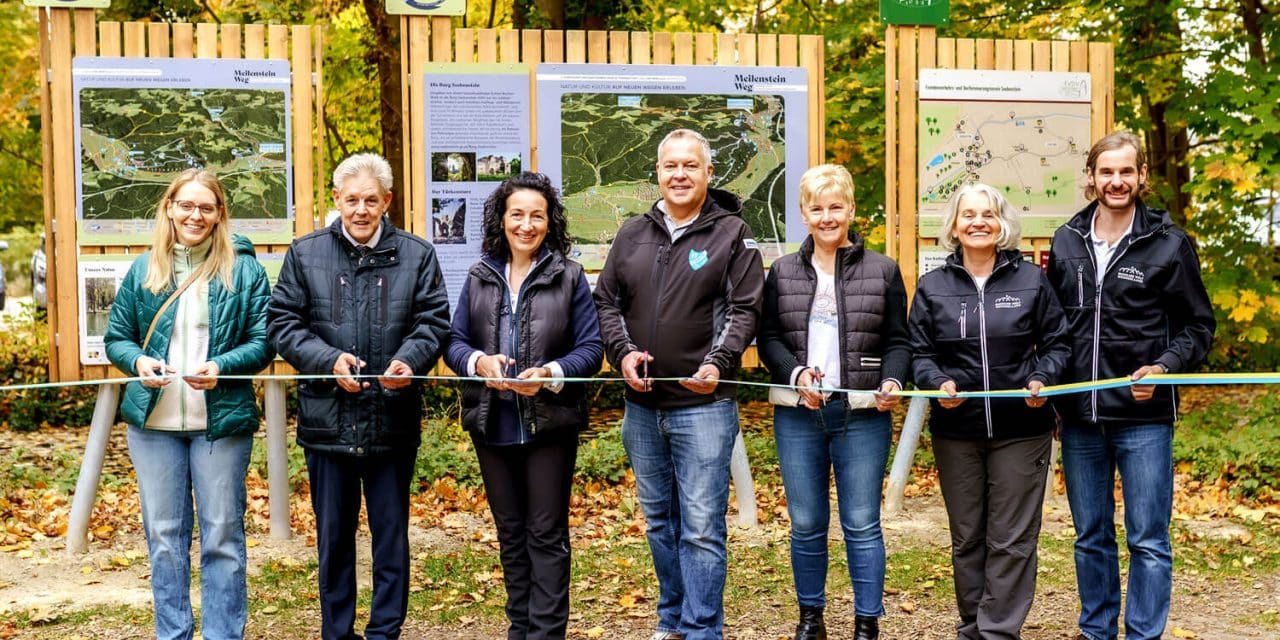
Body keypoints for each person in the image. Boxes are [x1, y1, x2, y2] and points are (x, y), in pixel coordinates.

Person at [267, 152, 451, 640]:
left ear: (387, 201)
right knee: (334, 540)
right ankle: (338, 631)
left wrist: (409, 361)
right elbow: (283, 324)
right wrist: (327, 360)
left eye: (371, 200)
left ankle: (384, 631)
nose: (362, 209)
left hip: (391, 419)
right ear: (336, 200)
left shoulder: (417, 254)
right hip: (327, 421)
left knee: (390, 537)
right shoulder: (305, 254)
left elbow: (433, 323)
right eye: (352, 200)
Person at [593, 128, 764, 640]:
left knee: (701, 527)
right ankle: (672, 619)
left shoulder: (732, 234)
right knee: (660, 523)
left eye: (691, 165)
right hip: (642, 408)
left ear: (709, 173)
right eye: (671, 166)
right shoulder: (631, 233)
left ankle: (701, 627)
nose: (680, 174)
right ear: (658, 173)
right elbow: (606, 301)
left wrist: (717, 362)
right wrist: (622, 356)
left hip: (704, 407)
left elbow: (745, 308)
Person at [1047, 132, 1215, 640]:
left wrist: (1164, 366)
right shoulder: (1066, 240)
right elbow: (1053, 329)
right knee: (1090, 536)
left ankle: (1144, 634)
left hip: (1144, 418)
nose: (1115, 182)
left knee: (1148, 538)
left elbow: (1198, 327)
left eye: (1126, 172)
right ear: (1091, 178)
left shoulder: (1170, 243)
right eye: (1106, 172)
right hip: (1079, 417)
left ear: (1142, 177)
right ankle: (1096, 630)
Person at [103, 169, 273, 640]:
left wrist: (223, 365)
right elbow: (118, 338)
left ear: (220, 215)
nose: (195, 215)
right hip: (153, 425)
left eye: (206, 207)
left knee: (221, 537)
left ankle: (223, 634)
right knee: (164, 541)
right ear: (170, 208)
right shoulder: (144, 268)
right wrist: (137, 360)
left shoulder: (243, 270)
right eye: (186, 206)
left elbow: (263, 342)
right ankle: (172, 633)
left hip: (220, 422)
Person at [907, 182, 1070, 640]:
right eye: (968, 214)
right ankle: (973, 625)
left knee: (1012, 537)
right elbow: (919, 352)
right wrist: (936, 383)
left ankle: (998, 631)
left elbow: (1058, 344)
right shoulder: (932, 287)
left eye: (988, 214)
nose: (978, 222)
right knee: (968, 536)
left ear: (1002, 225)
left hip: (1023, 426)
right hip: (956, 428)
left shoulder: (1031, 281)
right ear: (954, 227)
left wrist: (1044, 378)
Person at [444, 172, 604, 640]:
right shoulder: (479, 276)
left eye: (537, 215)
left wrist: (550, 375)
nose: (527, 224)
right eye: (518, 214)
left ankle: (546, 634)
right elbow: (454, 342)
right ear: (502, 218)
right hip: (491, 424)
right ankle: (521, 629)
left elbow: (591, 350)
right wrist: (478, 361)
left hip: (549, 425)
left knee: (545, 536)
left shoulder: (569, 276)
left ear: (550, 222)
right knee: (511, 536)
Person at [757, 164, 909, 640]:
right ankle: (811, 618)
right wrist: (794, 371)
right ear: (803, 213)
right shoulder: (781, 271)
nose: (827, 217)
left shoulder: (882, 269)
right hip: (799, 414)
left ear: (851, 210)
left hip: (862, 416)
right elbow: (768, 339)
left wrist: (893, 380)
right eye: (816, 208)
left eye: (835, 207)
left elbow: (899, 342)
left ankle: (867, 622)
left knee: (862, 522)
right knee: (805, 523)